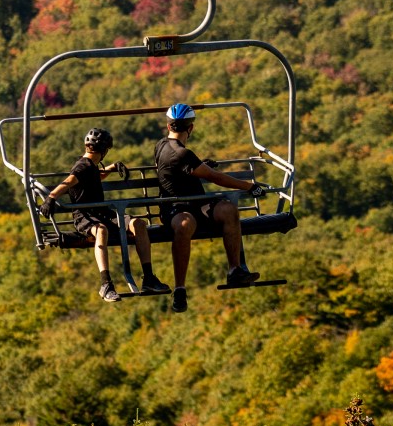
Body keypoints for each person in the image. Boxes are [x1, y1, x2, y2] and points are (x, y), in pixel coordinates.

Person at [38, 127, 171, 302]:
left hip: (103, 213)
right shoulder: (83, 166)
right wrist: (51, 197)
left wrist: (112, 167)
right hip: (85, 216)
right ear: (105, 150)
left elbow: (95, 177)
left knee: (138, 224)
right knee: (101, 231)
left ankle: (148, 277)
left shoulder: (90, 165)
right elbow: (69, 181)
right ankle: (106, 284)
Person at [154, 103, 263, 312]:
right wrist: (250, 187)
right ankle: (180, 289)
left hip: (196, 204)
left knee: (228, 210)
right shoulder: (184, 154)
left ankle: (235, 270)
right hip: (175, 207)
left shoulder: (161, 146)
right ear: (191, 128)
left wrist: (199, 166)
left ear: (168, 127)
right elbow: (216, 178)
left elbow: (176, 168)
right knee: (185, 225)